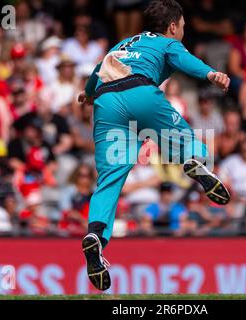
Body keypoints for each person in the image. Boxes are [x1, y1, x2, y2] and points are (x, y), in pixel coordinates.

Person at [78, 0, 230, 291]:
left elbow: (98, 70)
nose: (183, 30)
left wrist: (86, 94)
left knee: (109, 179)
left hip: (106, 103)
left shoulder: (123, 43)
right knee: (186, 140)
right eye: (183, 25)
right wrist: (211, 74)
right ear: (173, 26)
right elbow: (187, 61)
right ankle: (194, 160)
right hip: (140, 92)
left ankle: (96, 234)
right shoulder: (166, 42)